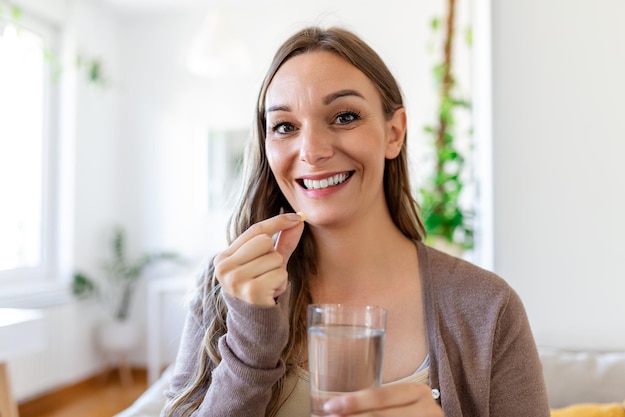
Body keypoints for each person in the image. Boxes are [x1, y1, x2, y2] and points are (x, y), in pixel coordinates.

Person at [162, 26, 550, 417]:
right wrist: (250, 346)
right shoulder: (225, 290)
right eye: (285, 126)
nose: (312, 151)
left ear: (393, 133)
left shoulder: (489, 309)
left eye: (344, 117)